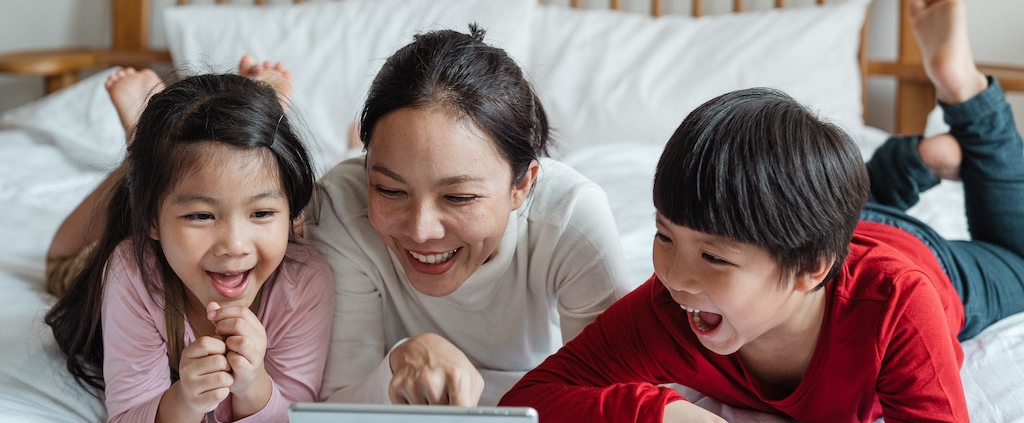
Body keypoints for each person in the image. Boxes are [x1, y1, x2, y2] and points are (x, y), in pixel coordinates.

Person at [498, 0, 1024, 422]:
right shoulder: (672, 307)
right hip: (818, 223)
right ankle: (901, 166)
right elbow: (532, 398)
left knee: (1017, 259)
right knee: (847, 199)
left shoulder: (897, 304)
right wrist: (665, 413)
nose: (676, 277)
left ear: (811, 271)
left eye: (715, 258)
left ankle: (961, 92)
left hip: (919, 254)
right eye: (664, 236)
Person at [305, 24, 634, 406]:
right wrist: (396, 365)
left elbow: (611, 396)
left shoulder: (571, 217)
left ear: (522, 186)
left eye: (459, 197)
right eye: (390, 190)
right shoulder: (341, 208)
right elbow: (332, 407)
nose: (421, 230)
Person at [43, 62, 334, 423]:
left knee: (252, 203)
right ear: (151, 220)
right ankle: (140, 155)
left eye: (260, 213)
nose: (233, 245)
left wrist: (254, 385)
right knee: (60, 262)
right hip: (148, 242)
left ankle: (233, 132)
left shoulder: (304, 280)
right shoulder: (132, 273)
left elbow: (297, 415)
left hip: (278, 242)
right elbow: (128, 415)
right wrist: (184, 402)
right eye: (201, 216)